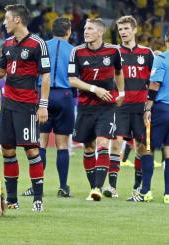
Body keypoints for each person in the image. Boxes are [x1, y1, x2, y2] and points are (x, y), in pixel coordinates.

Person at [0, 4, 51, 212]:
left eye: (6, 19)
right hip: (8, 104)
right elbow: (3, 70)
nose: (4, 22)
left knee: (32, 150)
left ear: (17, 20)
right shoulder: (6, 44)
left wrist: (43, 105)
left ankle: (38, 199)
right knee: (7, 150)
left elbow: (46, 76)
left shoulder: (37, 44)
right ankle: (12, 200)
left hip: (27, 105)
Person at [68, 18, 125, 201]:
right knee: (88, 147)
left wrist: (122, 92)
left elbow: (118, 72)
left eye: (90, 28)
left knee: (102, 143)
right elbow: (72, 80)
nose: (86, 31)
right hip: (85, 107)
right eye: (85, 28)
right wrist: (95, 89)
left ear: (100, 32)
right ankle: (93, 186)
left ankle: (98, 189)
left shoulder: (113, 51)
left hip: (106, 106)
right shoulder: (77, 52)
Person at [22, 18, 75, 198]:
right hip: (65, 96)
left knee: (41, 143)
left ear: (51, 30)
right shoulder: (74, 51)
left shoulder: (41, 46)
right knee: (62, 145)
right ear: (68, 31)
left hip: (42, 95)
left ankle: (37, 186)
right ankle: (63, 187)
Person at [104, 16, 154, 198]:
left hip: (140, 107)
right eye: (120, 30)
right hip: (120, 107)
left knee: (141, 147)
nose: (123, 32)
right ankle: (112, 188)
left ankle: (137, 187)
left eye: (126, 29)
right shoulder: (114, 53)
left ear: (134, 30)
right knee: (116, 143)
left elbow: (154, 82)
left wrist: (150, 106)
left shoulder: (147, 53)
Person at [128, 29, 169, 203]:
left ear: (166, 38)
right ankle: (168, 194)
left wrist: (147, 108)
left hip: (161, 110)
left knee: (147, 148)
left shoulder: (162, 58)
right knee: (168, 151)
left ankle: (145, 191)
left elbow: (154, 83)